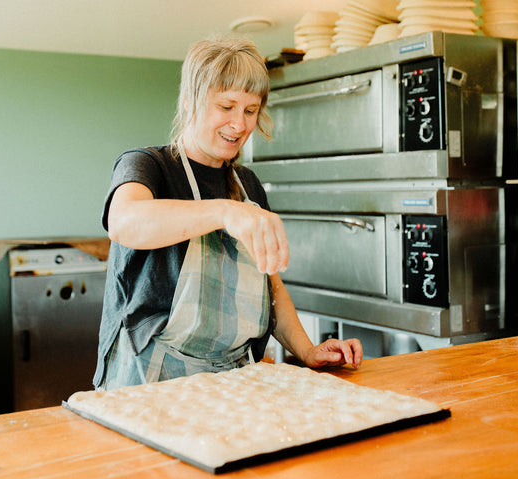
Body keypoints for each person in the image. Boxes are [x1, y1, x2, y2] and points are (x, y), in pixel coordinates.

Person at [93, 37, 363, 390]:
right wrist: (225, 212)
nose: (239, 125)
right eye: (226, 106)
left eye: (250, 111)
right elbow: (124, 222)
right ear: (190, 101)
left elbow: (270, 285)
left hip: (234, 382)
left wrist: (307, 350)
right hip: (149, 380)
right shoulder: (149, 166)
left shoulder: (247, 183)